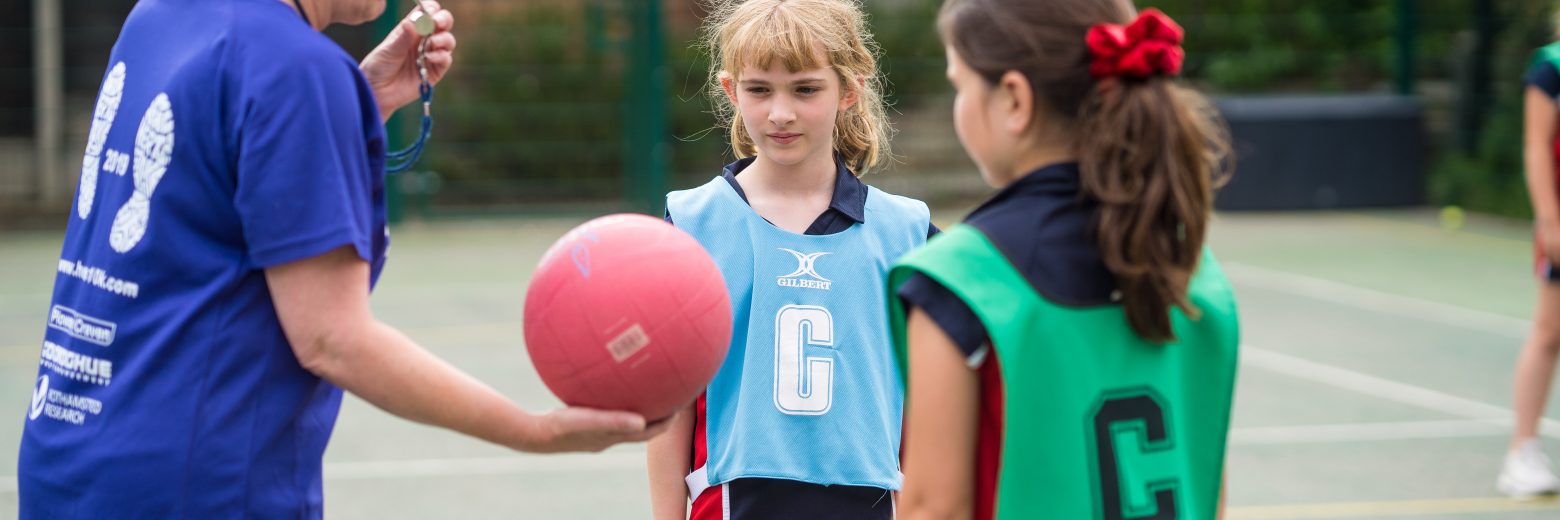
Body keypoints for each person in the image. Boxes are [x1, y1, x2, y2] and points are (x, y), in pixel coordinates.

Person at [18, 1, 662, 517]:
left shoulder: (160, 16)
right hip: (195, 482)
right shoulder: (294, 71)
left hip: (70, 458)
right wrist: (534, 430)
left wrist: (356, 102)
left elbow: (215, 178)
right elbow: (332, 340)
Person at [891, 2, 1238, 518]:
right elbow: (1206, 487)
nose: (958, 105)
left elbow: (933, 509)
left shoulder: (962, 278)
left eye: (960, 85)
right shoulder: (1186, 263)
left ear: (1014, 99)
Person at [647, 0, 935, 518]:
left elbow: (939, 397)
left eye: (805, 89)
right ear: (731, 90)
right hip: (735, 499)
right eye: (759, 90)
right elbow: (669, 406)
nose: (781, 112)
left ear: (850, 89)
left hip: (873, 499)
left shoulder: (907, 234)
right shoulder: (693, 225)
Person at [1499, 4, 1560, 499]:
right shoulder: (1551, 67)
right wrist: (1550, 219)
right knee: (1549, 331)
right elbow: (1536, 146)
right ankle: (1522, 450)